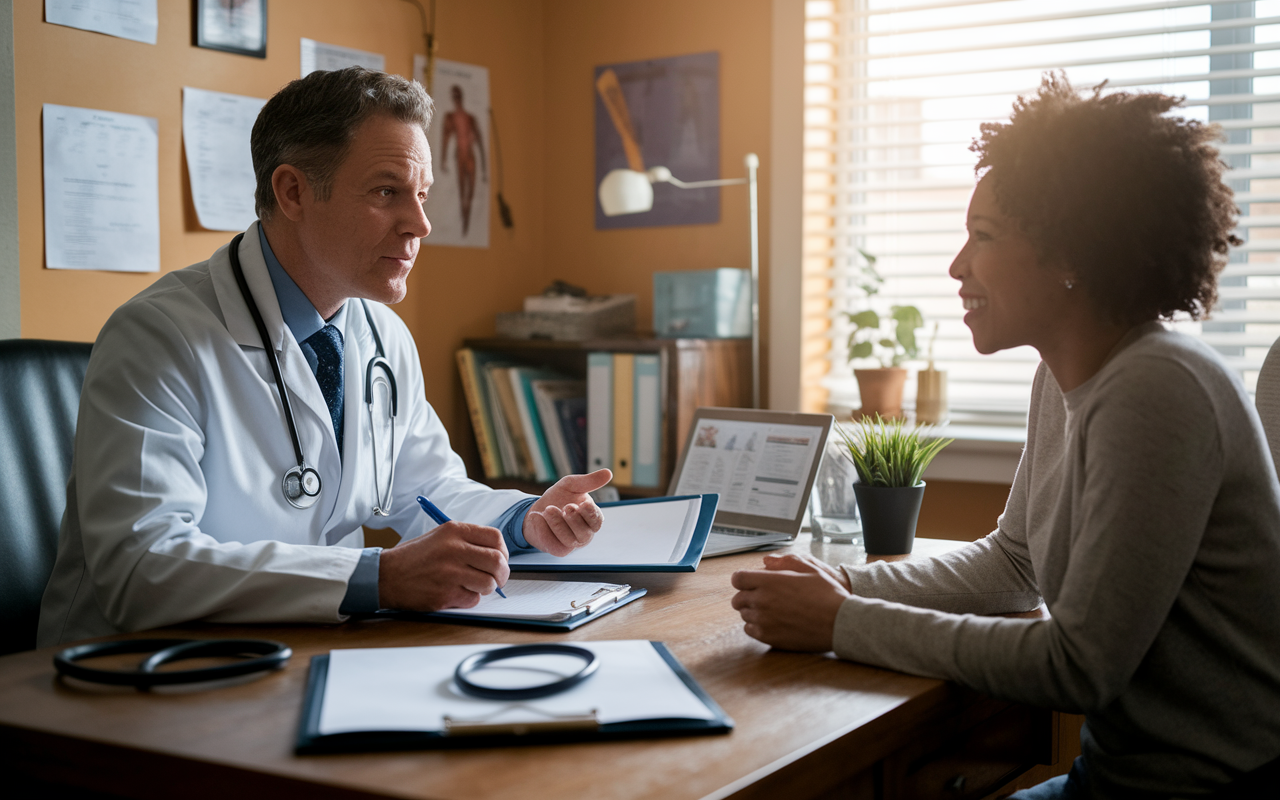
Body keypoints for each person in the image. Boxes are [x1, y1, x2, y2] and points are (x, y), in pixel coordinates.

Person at [730, 74, 1280, 798]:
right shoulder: (1063, 378)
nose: (958, 266)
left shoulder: (1158, 388)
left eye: (983, 238)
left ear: (1073, 256)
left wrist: (843, 622)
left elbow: (1079, 665)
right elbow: (1011, 565)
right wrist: (844, 584)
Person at [38, 67, 609, 646]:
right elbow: (140, 568)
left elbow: (429, 491)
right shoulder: (158, 335)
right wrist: (377, 577)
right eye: (387, 192)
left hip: (301, 650)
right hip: (130, 676)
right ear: (293, 192)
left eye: (422, 194)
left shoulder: (382, 334)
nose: (420, 223)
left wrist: (525, 519)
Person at [439, 84, 486, 236]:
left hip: (470, 157)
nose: (456, 98)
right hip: (459, 156)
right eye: (455, 95)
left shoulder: (470, 118)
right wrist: (443, 160)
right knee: (462, 192)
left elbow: (479, 143)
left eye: (457, 95)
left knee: (470, 194)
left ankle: (466, 224)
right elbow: (445, 139)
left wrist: (485, 169)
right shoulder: (450, 117)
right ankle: (464, 225)